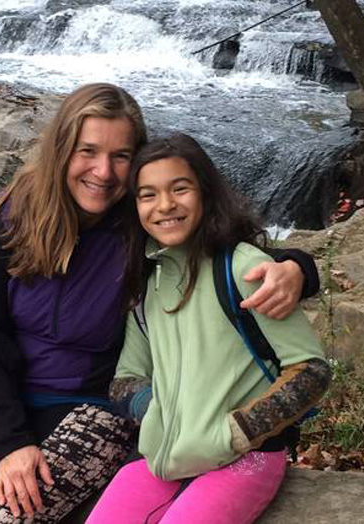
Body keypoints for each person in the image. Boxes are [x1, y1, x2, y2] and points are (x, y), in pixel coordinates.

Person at [0, 84, 320, 524]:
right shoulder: (12, 217)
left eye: (121, 156)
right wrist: (11, 442)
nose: (103, 172)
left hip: (96, 407)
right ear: (62, 150)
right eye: (87, 151)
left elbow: (222, 246)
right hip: (10, 398)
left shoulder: (140, 222)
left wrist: (298, 267)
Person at [87, 133, 331, 524]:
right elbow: (126, 379)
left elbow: (311, 370)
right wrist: (165, 416)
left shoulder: (244, 269)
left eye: (179, 189)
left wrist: (233, 432)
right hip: (165, 457)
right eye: (148, 195)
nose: (165, 205)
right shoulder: (146, 283)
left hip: (245, 458)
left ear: (205, 192)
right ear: (135, 207)